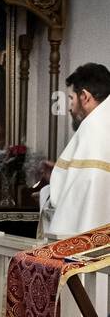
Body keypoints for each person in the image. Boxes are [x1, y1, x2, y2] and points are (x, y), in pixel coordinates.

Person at [39, 62, 110, 240]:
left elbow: (79, 199)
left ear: (84, 97)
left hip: (89, 248)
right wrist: (62, 172)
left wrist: (51, 188)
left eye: (71, 99)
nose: (70, 107)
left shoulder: (92, 129)